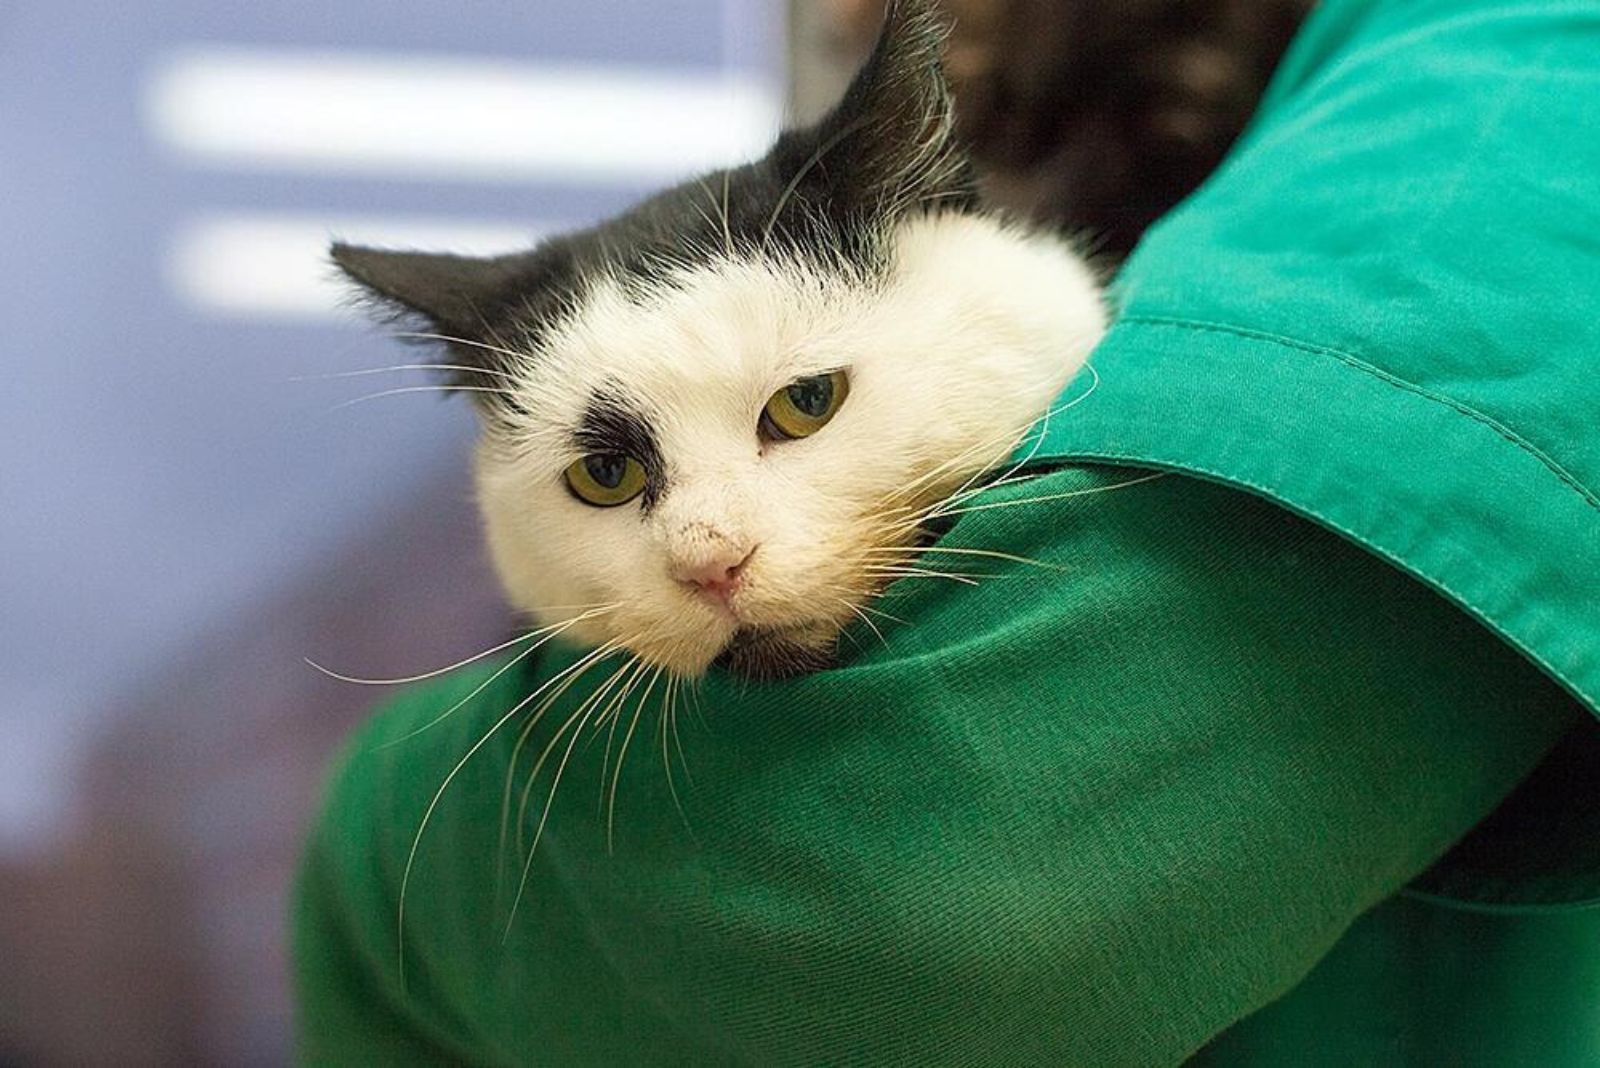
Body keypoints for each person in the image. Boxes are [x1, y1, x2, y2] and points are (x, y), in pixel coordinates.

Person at [293, 0, 1600, 1061]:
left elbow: (941, 909)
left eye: (800, 407)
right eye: (608, 476)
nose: (705, 548)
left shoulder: (1517, 83)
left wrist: (380, 836)